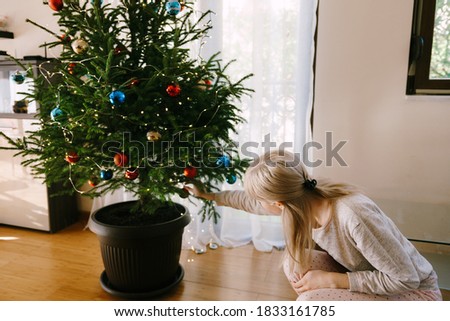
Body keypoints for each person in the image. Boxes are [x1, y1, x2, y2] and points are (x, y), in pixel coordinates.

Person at [185, 150, 442, 301]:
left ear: (277, 203)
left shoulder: (352, 215)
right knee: (295, 264)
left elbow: (406, 279)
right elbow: (247, 201)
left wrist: (334, 281)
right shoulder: (301, 200)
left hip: (417, 294)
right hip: (376, 277)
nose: (257, 204)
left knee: (310, 300)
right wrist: (208, 195)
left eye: (261, 200)